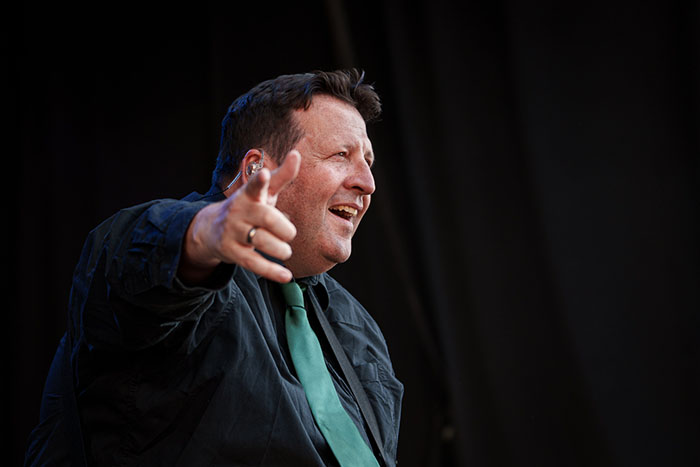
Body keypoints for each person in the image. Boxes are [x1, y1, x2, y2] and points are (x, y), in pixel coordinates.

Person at [25, 69, 403, 466]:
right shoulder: (184, 256)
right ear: (256, 170)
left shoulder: (357, 327)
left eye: (368, 161)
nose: (367, 182)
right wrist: (201, 234)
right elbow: (137, 263)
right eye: (341, 155)